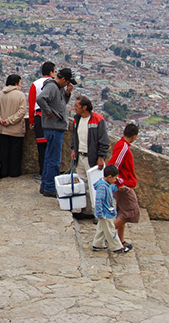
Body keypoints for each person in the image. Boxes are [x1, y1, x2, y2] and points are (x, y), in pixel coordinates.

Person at [36, 68, 75, 198]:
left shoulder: (58, 89)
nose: (67, 85)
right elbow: (41, 98)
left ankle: (45, 185)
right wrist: (48, 112)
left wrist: (67, 94)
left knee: (49, 158)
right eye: (67, 82)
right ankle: (50, 187)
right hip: (54, 127)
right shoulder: (52, 87)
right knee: (54, 160)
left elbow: (59, 104)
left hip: (55, 127)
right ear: (63, 79)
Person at [69, 96, 110, 220]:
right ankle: (83, 209)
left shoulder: (97, 120)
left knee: (94, 186)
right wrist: (73, 149)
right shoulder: (77, 119)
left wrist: (101, 157)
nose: (74, 108)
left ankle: (96, 213)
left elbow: (104, 140)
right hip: (80, 155)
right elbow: (74, 136)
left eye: (77, 106)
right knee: (81, 184)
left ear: (84, 107)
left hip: (92, 157)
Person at [109, 123, 141, 250]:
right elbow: (114, 166)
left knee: (122, 212)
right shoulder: (123, 147)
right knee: (130, 212)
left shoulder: (121, 144)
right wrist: (121, 183)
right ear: (134, 136)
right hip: (124, 185)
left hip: (122, 183)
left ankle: (120, 241)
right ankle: (107, 235)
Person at [0, 74, 27, 178]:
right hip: (16, 129)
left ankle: (4, 172)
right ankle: (14, 172)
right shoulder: (20, 95)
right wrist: (9, 121)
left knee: (4, 152)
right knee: (15, 152)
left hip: (2, 129)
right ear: (17, 83)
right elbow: (22, 111)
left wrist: (0, 120)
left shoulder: (0, 94)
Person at [92, 165, 131, 254]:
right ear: (110, 177)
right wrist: (100, 213)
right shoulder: (102, 187)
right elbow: (99, 200)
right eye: (115, 178)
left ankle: (98, 244)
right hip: (105, 213)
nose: (115, 180)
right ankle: (117, 247)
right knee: (110, 230)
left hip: (105, 213)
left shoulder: (106, 185)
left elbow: (111, 188)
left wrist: (122, 188)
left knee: (102, 229)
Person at [29, 62, 56, 181]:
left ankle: (42, 172)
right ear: (51, 72)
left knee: (42, 146)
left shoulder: (35, 84)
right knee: (53, 147)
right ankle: (52, 173)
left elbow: (31, 104)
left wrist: (31, 121)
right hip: (53, 118)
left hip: (39, 117)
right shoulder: (56, 84)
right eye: (54, 71)